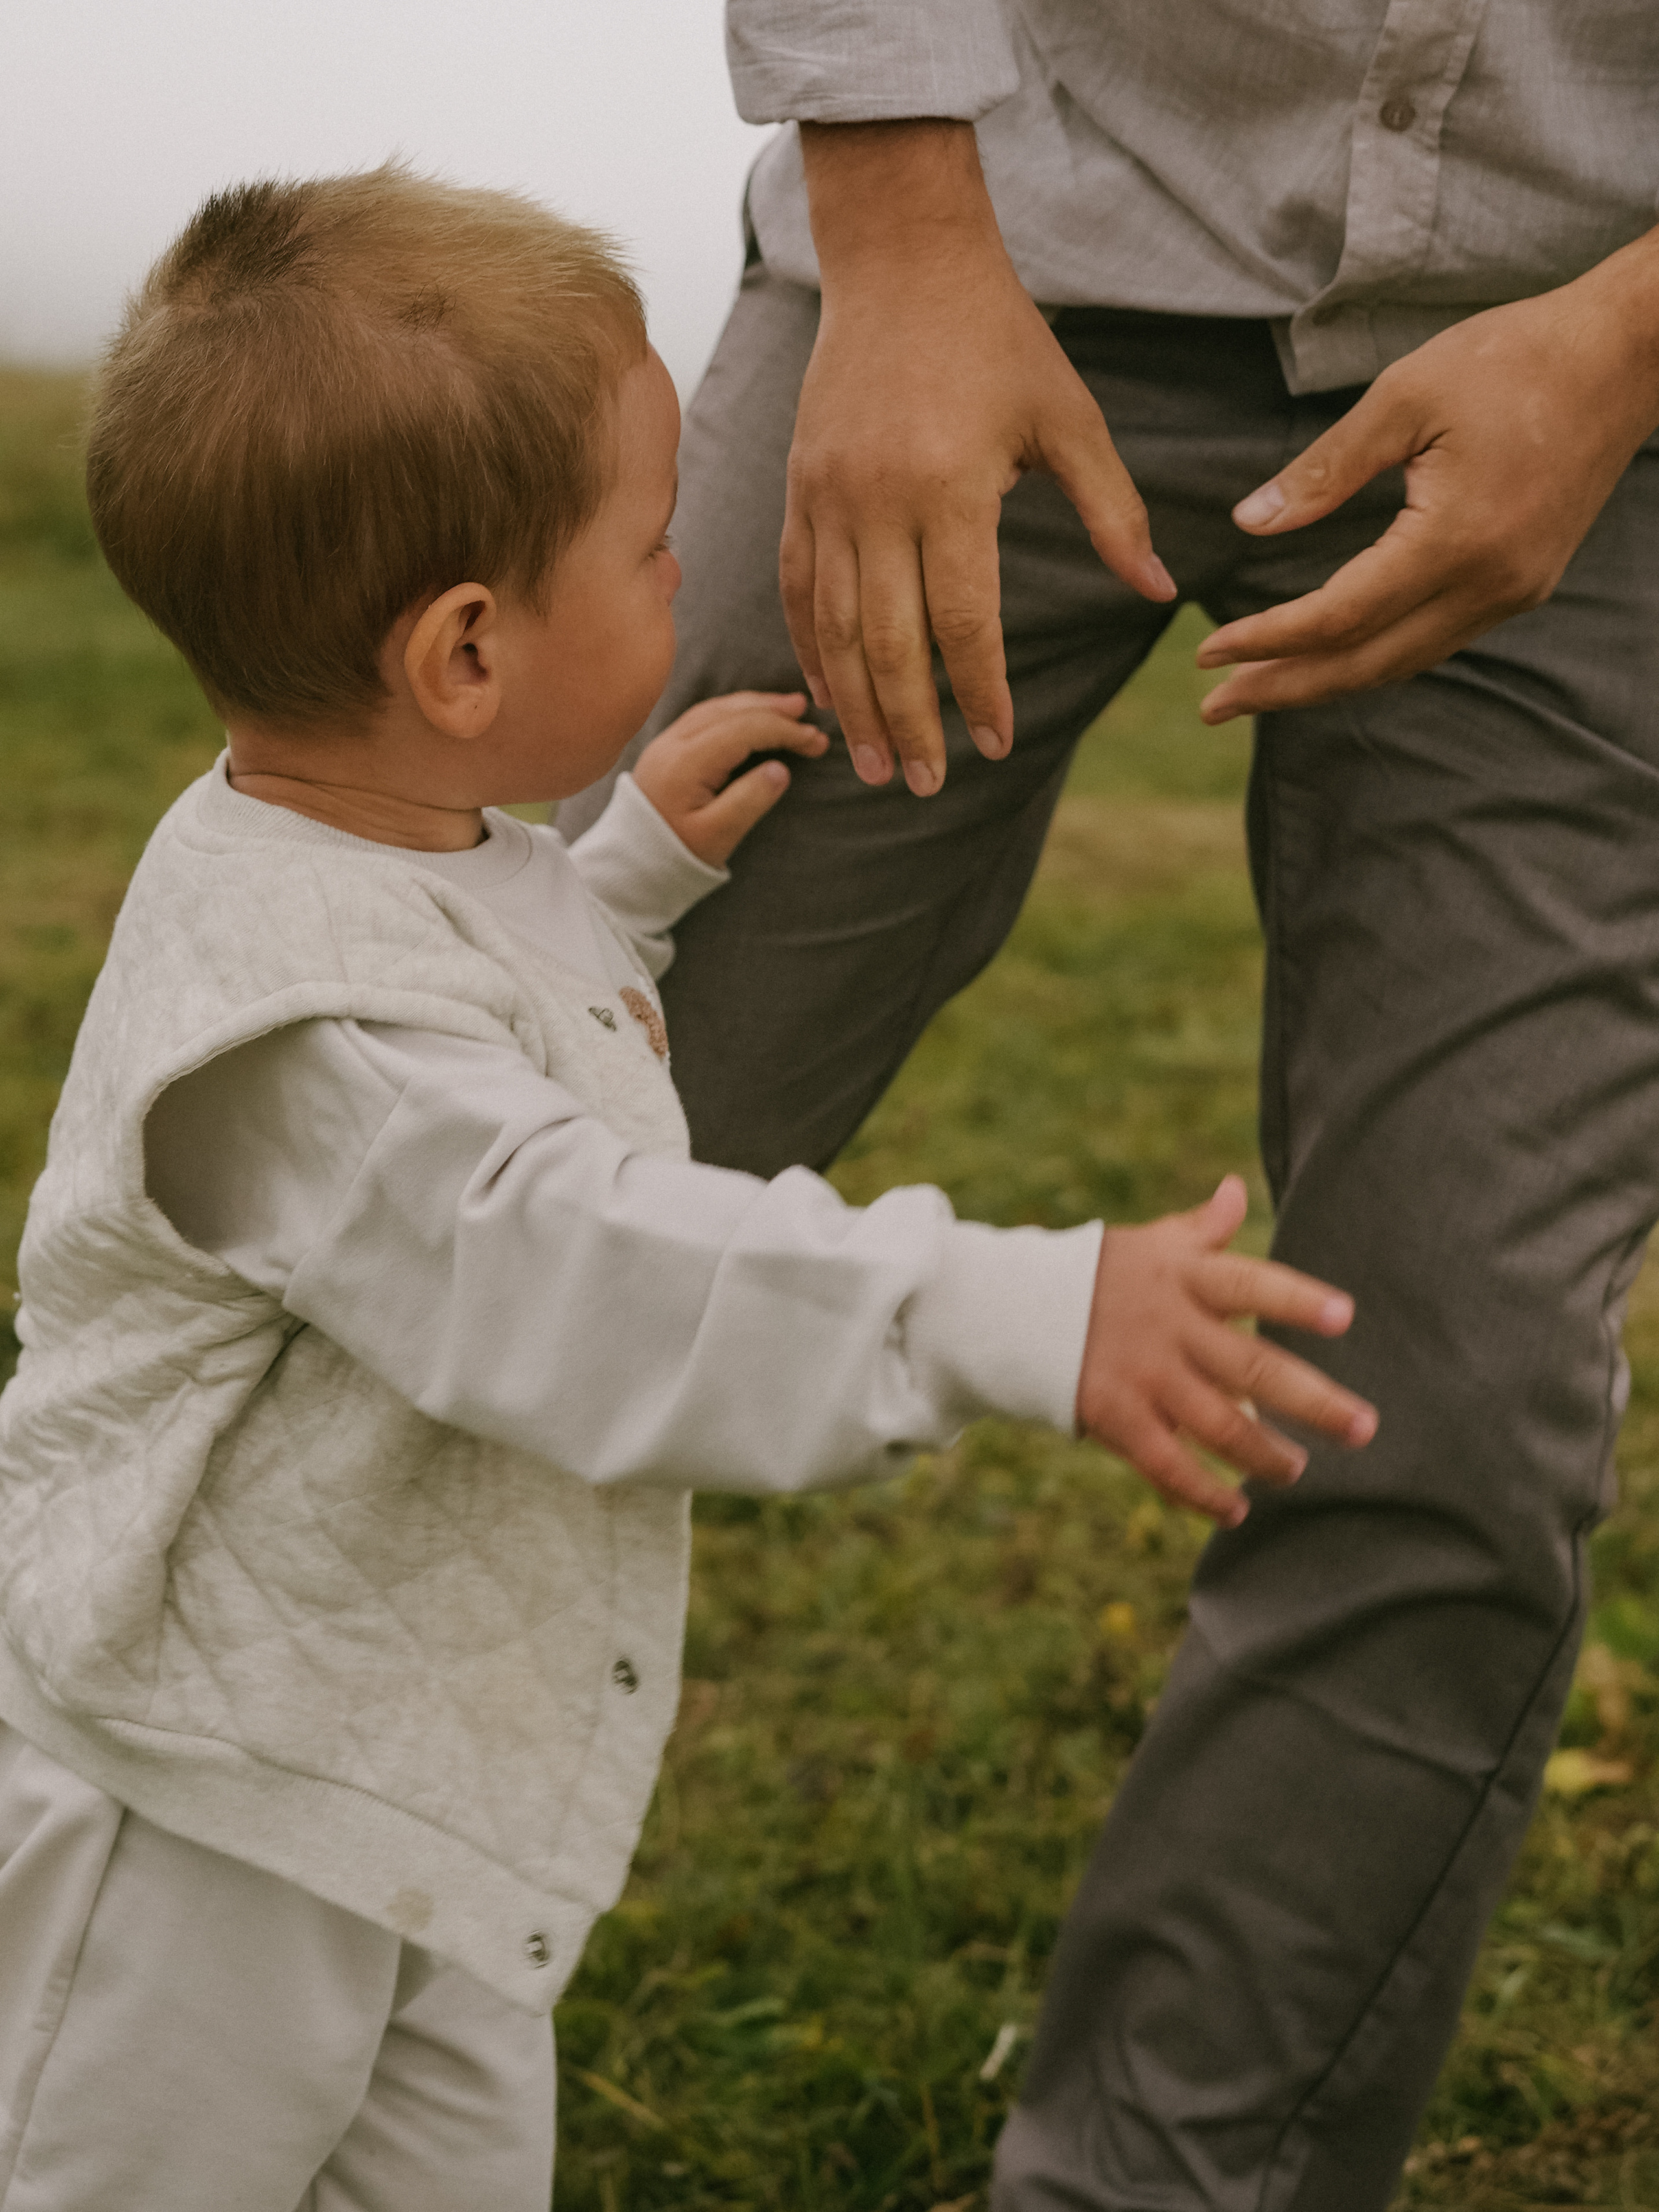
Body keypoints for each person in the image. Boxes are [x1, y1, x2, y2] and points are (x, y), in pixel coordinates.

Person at [0, 167, 1375, 2211]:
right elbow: (579, 1265)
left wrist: (618, 879)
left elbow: (466, 1003)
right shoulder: (296, 1045)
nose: (688, 573)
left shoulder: (383, 840)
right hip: (199, 1807)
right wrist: (1002, 1311)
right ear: (465, 654)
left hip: (399, 1773)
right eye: (651, 550)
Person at [555, 6, 1659, 2207]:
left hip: (1601, 356)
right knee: (502, 1121)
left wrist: (1630, 343)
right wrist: (899, 232)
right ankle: (127, 1993)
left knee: (1438, 1385)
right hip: (981, 228)